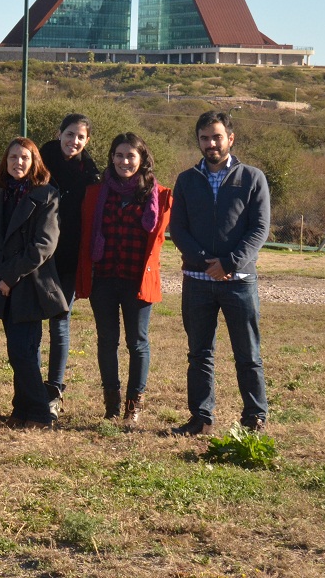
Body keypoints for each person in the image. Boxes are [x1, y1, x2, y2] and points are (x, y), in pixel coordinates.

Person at [168, 111, 270, 435]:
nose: (210, 143)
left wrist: (229, 263)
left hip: (239, 282)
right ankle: (200, 418)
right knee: (199, 354)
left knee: (248, 353)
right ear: (198, 140)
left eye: (216, 137)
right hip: (197, 283)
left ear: (230, 138)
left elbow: (259, 229)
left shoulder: (253, 178)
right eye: (204, 138)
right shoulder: (185, 180)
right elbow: (178, 229)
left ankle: (254, 417)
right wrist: (205, 263)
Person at [77, 133, 172, 425]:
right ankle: (112, 405)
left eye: (131, 156)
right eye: (119, 155)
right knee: (107, 341)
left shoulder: (159, 195)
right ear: (111, 158)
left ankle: (134, 407)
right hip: (103, 278)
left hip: (137, 279)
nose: (124, 161)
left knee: (138, 343)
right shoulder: (95, 193)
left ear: (142, 159)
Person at [0, 137, 66, 429]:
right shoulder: (2, 193)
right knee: (19, 352)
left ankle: (40, 413)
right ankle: (21, 410)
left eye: (24, 158)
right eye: (12, 158)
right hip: (3, 286)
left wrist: (10, 276)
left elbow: (44, 245)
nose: (17, 163)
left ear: (35, 162)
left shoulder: (47, 195)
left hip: (29, 285)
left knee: (22, 353)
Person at [37, 113, 100, 416]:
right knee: (32, 321)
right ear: (59, 132)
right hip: (36, 256)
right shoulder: (38, 160)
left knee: (60, 323)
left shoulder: (91, 173)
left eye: (80, 136)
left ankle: (54, 389)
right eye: (69, 134)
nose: (73, 141)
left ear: (87, 141)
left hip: (69, 257)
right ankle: (31, 387)